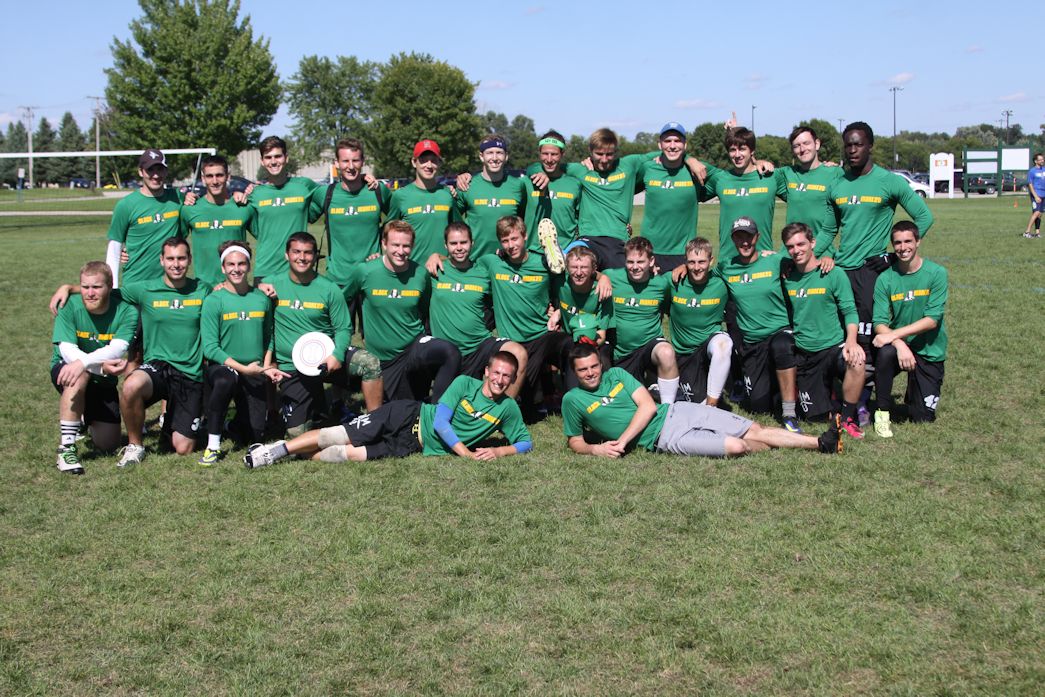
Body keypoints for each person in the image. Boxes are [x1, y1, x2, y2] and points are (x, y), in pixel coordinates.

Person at [244, 352, 532, 466]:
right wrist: (466, 454)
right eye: (496, 373)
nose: (500, 380)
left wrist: (498, 452)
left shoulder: (507, 408)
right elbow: (441, 423)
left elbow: (525, 442)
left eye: (506, 376)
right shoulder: (464, 383)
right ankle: (274, 452)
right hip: (406, 415)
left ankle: (295, 454)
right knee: (338, 435)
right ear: (486, 371)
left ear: (512, 379)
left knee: (350, 455)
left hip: (411, 444)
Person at [561, 343, 841, 458]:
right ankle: (785, 444)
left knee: (754, 428)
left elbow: (647, 406)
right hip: (664, 438)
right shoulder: (573, 400)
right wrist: (596, 450)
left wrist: (621, 442)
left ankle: (820, 442)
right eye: (583, 370)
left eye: (594, 366)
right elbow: (575, 441)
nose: (590, 373)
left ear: (600, 364)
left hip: (677, 412)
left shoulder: (617, 375)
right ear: (575, 372)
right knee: (736, 445)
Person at [821, 122, 934, 346]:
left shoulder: (889, 181)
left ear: (870, 146)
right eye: (848, 145)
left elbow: (924, 217)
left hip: (871, 270)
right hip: (841, 269)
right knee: (840, 333)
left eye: (858, 144)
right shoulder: (837, 185)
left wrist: (896, 254)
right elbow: (828, 230)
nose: (853, 150)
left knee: (867, 337)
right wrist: (811, 256)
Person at [266, 233, 383, 436]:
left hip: (326, 358)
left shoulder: (329, 288)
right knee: (297, 434)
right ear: (286, 255)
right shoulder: (271, 286)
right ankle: (317, 410)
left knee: (369, 363)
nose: (302, 257)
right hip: (291, 366)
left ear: (315, 256)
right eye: (296, 252)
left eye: (307, 253)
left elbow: (343, 328)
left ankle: (375, 425)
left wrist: (337, 355)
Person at [113, 237, 210, 465]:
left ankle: (174, 422)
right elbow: (104, 293)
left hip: (190, 372)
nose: (176, 264)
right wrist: (69, 289)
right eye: (171, 259)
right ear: (161, 260)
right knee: (131, 386)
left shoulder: (202, 289)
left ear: (189, 260)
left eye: (181, 258)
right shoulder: (145, 289)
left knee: (183, 448)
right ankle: (135, 446)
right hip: (158, 366)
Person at [342, 220, 461, 402]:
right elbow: (342, 300)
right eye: (395, 245)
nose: (401, 251)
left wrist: (437, 255)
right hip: (383, 360)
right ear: (384, 244)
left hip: (414, 347)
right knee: (402, 411)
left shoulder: (420, 274)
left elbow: (424, 310)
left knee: (450, 352)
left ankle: (438, 412)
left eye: (406, 246)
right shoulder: (365, 271)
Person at [557, 128, 703, 270]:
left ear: (616, 152)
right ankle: (564, 254)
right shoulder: (580, 170)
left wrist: (690, 159)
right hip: (589, 236)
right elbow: (550, 167)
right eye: (599, 154)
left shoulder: (629, 164)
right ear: (590, 151)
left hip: (618, 240)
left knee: (622, 279)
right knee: (580, 260)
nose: (604, 159)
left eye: (609, 154)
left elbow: (668, 152)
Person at [198, 241, 283, 465]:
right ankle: (213, 446)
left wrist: (265, 367)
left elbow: (269, 336)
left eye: (242, 264)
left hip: (254, 369)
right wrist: (244, 369)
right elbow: (210, 348)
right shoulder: (214, 300)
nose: (236, 269)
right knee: (226, 380)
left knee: (254, 434)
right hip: (224, 368)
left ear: (249, 265)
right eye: (231, 264)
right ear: (223, 267)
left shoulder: (261, 298)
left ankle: (230, 424)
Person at [50, 261, 139, 474]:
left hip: (103, 380)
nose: (90, 293)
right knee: (79, 376)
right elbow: (66, 350)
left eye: (97, 287)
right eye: (85, 287)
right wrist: (93, 367)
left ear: (110, 286)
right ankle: (66, 449)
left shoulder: (127, 311)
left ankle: (83, 417)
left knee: (108, 444)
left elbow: (117, 349)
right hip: (68, 371)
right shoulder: (68, 305)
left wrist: (88, 365)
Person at [781, 223, 865, 437]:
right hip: (806, 353)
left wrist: (852, 341)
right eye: (790, 246)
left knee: (857, 361)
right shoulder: (787, 277)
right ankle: (830, 398)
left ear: (813, 243)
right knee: (814, 417)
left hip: (833, 347)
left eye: (801, 244)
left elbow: (850, 310)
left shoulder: (833, 273)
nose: (796, 250)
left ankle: (847, 418)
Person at [427, 222, 529, 396]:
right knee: (450, 405)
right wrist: (435, 256)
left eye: (464, 242)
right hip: (447, 352)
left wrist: (551, 308)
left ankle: (504, 409)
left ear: (472, 243)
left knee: (518, 353)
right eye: (453, 243)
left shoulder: (484, 271)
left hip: (479, 346)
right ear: (445, 245)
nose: (459, 247)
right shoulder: (434, 271)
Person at [718, 218, 801, 429]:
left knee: (781, 346)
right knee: (758, 406)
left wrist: (826, 259)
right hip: (753, 342)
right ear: (733, 240)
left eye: (749, 237)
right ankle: (780, 387)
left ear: (757, 237)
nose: (745, 242)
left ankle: (789, 413)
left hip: (779, 332)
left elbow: (804, 261)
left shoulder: (775, 260)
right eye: (739, 237)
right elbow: (701, 272)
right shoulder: (726, 267)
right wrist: (682, 268)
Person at [871, 221, 949, 436]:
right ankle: (882, 413)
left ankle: (914, 390)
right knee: (885, 353)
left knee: (922, 418)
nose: (903, 247)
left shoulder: (936, 273)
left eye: (908, 241)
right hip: (901, 347)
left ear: (918, 242)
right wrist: (899, 344)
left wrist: (894, 335)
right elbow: (879, 322)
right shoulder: (885, 278)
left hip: (930, 349)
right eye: (898, 243)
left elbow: (932, 320)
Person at [314, 138, 390, 331]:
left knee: (376, 339)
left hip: (372, 278)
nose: (350, 166)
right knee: (339, 338)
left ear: (362, 161)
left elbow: (398, 219)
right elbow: (300, 211)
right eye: (345, 161)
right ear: (336, 163)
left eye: (355, 160)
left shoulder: (378, 191)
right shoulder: (326, 194)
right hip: (338, 280)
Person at [602, 236, 680, 403]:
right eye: (630, 262)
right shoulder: (610, 277)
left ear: (651, 261)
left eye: (640, 262)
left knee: (666, 352)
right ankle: (649, 382)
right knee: (625, 401)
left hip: (649, 347)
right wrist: (599, 277)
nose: (635, 267)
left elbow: (667, 308)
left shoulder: (661, 284)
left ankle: (668, 408)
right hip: (621, 351)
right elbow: (586, 275)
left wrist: (685, 266)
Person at [242, 136, 322, 281]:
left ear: (286, 158)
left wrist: (362, 178)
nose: (273, 161)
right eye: (268, 157)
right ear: (262, 161)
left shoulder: (305, 186)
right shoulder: (255, 194)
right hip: (266, 269)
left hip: (298, 268)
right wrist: (238, 194)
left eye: (278, 156)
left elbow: (333, 195)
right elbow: (254, 228)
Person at [703, 127, 787, 262]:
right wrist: (690, 160)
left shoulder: (771, 176)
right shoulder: (720, 179)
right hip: (729, 262)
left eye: (742, 149)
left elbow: (803, 196)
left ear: (752, 151)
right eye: (732, 150)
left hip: (763, 261)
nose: (737, 155)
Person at [106, 148, 183, 287]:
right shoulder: (126, 205)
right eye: (150, 170)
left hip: (170, 285)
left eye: (160, 169)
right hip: (136, 285)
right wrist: (113, 288)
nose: (156, 175)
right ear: (141, 172)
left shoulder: (177, 198)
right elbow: (114, 249)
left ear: (166, 171)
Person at [668, 238, 731, 406]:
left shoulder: (721, 282)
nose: (697, 268)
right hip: (684, 353)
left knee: (724, 344)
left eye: (702, 262)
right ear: (685, 262)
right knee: (694, 403)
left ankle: (711, 408)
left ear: (711, 261)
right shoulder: (673, 281)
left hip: (708, 346)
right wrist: (603, 277)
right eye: (691, 262)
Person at [179, 154, 255, 287]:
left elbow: (266, 238)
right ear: (203, 179)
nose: (215, 181)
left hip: (236, 287)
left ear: (228, 176)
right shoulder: (189, 209)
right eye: (209, 176)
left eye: (219, 175)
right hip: (203, 288)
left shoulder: (243, 207)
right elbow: (175, 243)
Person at [637, 122, 703, 272]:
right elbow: (623, 189)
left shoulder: (696, 170)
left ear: (685, 145)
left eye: (677, 141)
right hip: (650, 251)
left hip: (684, 253)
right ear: (659, 144)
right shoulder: (647, 168)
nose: (672, 146)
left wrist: (755, 161)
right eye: (667, 141)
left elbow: (732, 175)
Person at [453, 134, 528, 257]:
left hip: (509, 260)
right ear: (481, 156)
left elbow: (524, 219)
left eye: (499, 153)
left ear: (506, 156)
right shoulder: (467, 186)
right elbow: (453, 222)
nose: (494, 158)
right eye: (489, 153)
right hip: (475, 260)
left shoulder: (518, 186)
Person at [551, 243, 612, 388]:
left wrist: (604, 277)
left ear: (593, 269)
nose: (578, 272)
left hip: (592, 342)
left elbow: (601, 335)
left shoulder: (602, 292)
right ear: (567, 268)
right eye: (574, 267)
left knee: (597, 357)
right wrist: (555, 311)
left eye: (584, 267)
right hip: (565, 338)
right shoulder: (560, 282)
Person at [386, 139, 458, 263]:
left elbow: (459, 231)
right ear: (414, 162)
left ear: (439, 163)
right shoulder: (400, 196)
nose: (429, 165)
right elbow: (388, 233)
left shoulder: (448, 195)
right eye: (423, 160)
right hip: (410, 269)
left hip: (443, 268)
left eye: (433, 160)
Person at [776, 126, 842, 244]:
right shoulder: (787, 173)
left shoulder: (835, 173)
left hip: (822, 250)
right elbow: (756, 172)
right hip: (792, 250)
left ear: (817, 144)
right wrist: (759, 162)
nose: (802, 149)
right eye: (797, 146)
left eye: (806, 143)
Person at [521, 129, 581, 253]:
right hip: (532, 253)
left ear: (562, 154)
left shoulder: (575, 184)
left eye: (554, 154)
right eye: (545, 153)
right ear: (539, 153)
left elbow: (583, 221)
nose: (549, 159)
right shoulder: (527, 182)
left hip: (565, 253)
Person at [1023, 152, 1045, 238]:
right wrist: (1035, 196)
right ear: (1036, 161)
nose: (1042, 160)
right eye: (1040, 159)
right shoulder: (1032, 171)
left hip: (1044, 194)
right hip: (1036, 195)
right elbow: (1030, 184)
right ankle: (1027, 232)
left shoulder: (1044, 169)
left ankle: (1037, 233)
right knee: (1036, 212)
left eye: (1043, 159)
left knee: (1040, 214)